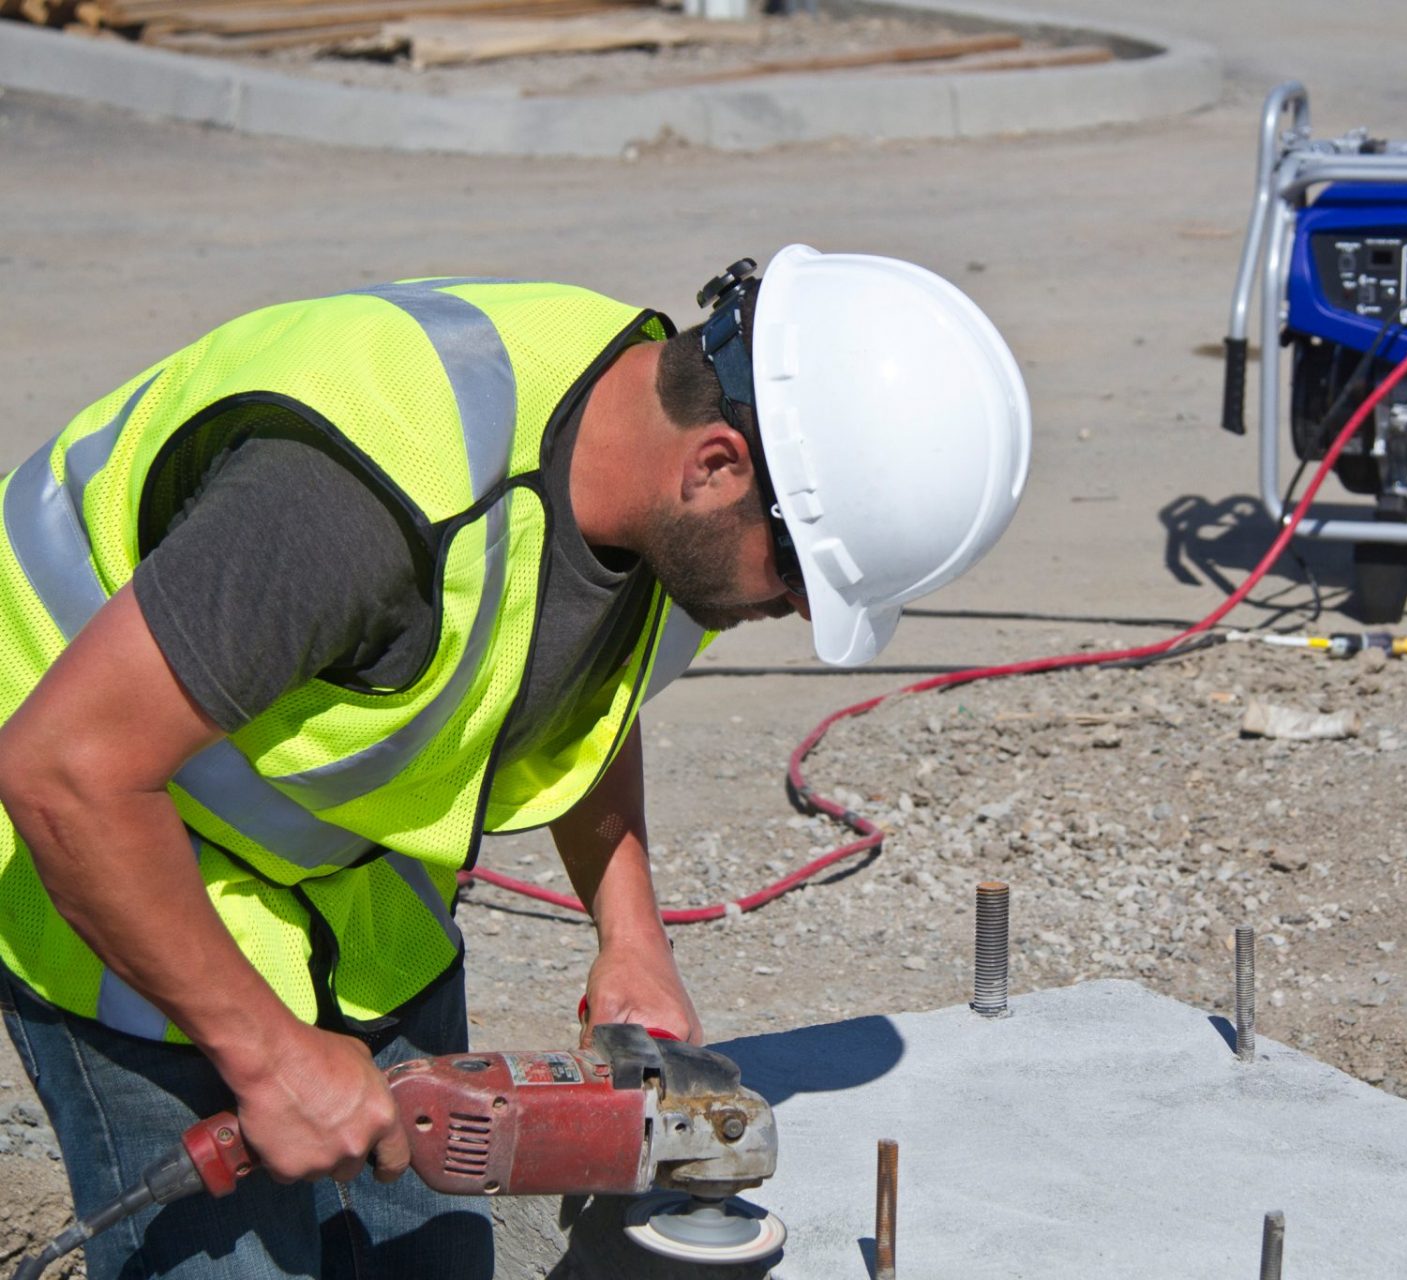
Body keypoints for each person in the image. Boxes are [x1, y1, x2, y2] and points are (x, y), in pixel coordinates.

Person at [0, 245, 1031, 1278]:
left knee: (432, 1258)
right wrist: (267, 1055)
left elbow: (579, 678)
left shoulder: (650, 481)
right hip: (112, 855)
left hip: (352, 892)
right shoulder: (359, 506)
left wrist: (631, 935)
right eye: (801, 570)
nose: (799, 609)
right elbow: (65, 770)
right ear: (718, 464)